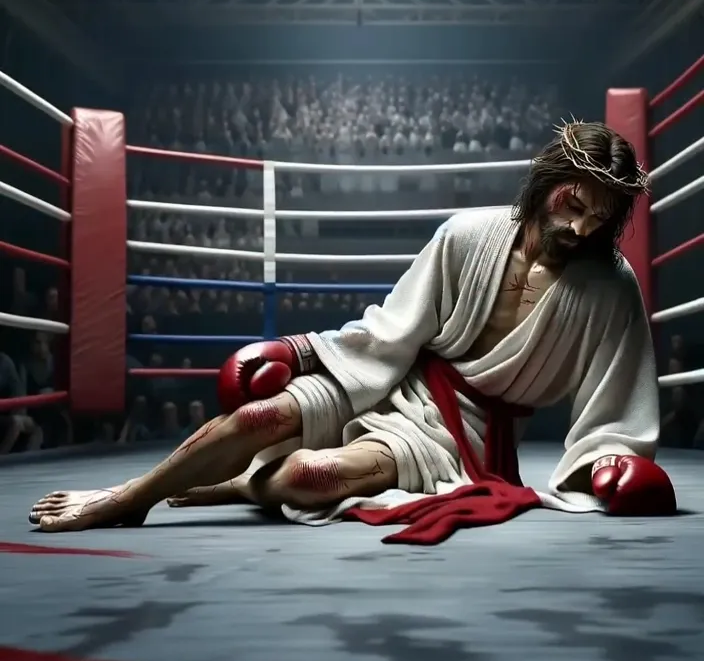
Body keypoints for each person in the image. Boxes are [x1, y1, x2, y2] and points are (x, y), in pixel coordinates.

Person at [28, 121, 676, 541]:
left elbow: (615, 401)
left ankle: (235, 482)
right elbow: (389, 333)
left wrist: (610, 460)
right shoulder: (466, 235)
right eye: (575, 204)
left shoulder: (609, 286)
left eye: (602, 216)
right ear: (547, 184)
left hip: (468, 435)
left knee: (304, 477)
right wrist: (300, 352)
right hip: (395, 378)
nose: (583, 228)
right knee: (258, 417)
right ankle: (126, 498)